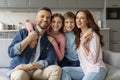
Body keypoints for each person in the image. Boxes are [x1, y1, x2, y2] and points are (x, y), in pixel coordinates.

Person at [7, 7, 61, 80]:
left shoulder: (49, 39)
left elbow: (50, 59)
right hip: (20, 69)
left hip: (36, 70)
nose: (45, 19)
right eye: (42, 16)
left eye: (48, 17)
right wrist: (28, 39)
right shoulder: (23, 32)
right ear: (36, 18)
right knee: (20, 75)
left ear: (50, 21)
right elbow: (11, 52)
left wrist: (31, 66)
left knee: (56, 69)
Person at [61, 9, 107, 80]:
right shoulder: (79, 35)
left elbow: (93, 60)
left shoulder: (93, 36)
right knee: (63, 70)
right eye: (77, 18)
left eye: (82, 18)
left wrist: (83, 44)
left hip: (96, 69)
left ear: (87, 20)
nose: (78, 20)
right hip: (85, 69)